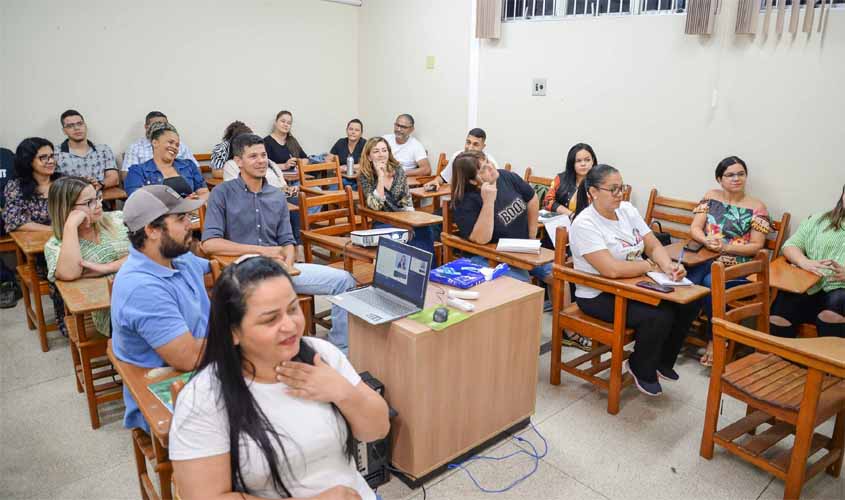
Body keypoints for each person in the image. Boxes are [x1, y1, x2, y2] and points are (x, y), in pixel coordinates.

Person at [169, 256, 389, 500]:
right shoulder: (204, 398)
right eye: (270, 319)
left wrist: (343, 392)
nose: (290, 325)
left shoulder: (320, 355)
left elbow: (378, 429)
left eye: (293, 309)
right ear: (233, 332)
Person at [201, 134, 356, 352]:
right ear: (238, 162)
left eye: (263, 155)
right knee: (269, 301)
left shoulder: (276, 196)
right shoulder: (221, 194)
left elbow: (287, 240)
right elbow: (209, 244)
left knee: (345, 281)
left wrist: (288, 266)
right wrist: (263, 251)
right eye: (253, 156)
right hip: (242, 272)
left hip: (280, 269)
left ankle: (339, 352)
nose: (261, 161)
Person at [569, 164, 699, 396]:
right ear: (593, 192)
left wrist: (668, 266)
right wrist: (650, 265)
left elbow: (652, 244)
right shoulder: (584, 223)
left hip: (634, 282)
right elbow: (611, 270)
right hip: (599, 293)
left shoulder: (627, 210)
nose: (620, 195)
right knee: (660, 314)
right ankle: (640, 365)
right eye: (614, 189)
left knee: (688, 304)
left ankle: (661, 361)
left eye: (622, 188)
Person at [111, 185, 208, 431]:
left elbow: (217, 269)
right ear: (152, 230)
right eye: (181, 218)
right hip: (168, 388)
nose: (190, 223)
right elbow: (189, 358)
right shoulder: (141, 287)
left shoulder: (177, 257)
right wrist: (240, 334)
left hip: (204, 365)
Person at [686, 156, 771, 366]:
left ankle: (714, 339)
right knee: (689, 280)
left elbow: (756, 246)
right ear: (719, 179)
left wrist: (726, 247)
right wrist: (706, 240)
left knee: (709, 283)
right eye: (730, 175)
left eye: (740, 174)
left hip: (738, 264)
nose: (736, 178)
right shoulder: (711, 197)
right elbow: (695, 228)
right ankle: (674, 332)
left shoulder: (757, 207)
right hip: (707, 256)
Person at [44, 176, 129, 336]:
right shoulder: (56, 245)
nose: (98, 205)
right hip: (113, 310)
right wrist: (70, 226)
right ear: (66, 208)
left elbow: (152, 250)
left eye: (98, 197)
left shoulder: (118, 218)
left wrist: (108, 268)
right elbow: (70, 273)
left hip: (146, 289)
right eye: (89, 202)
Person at [450, 150, 550, 284]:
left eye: (488, 162)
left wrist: (532, 235)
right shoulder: (465, 201)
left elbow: (532, 198)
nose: (491, 167)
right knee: (524, 284)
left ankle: (556, 306)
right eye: (483, 169)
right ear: (473, 181)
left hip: (521, 248)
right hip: (488, 256)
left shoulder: (506, 176)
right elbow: (481, 239)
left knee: (557, 277)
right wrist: (488, 202)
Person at [4, 138, 67, 334]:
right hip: (42, 251)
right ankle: (65, 319)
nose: (50, 161)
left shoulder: (63, 180)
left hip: (71, 240)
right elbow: (15, 221)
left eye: (51, 156)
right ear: (29, 161)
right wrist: (53, 230)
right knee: (60, 266)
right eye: (43, 158)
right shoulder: (16, 187)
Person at [769, 184, 845, 339]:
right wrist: (803, 261)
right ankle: (784, 360)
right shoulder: (819, 220)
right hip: (809, 284)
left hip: (840, 290)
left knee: (833, 310)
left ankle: (826, 363)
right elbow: (790, 246)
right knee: (780, 313)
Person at [358, 137, 434, 254]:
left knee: (425, 230)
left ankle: (425, 270)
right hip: (382, 221)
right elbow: (376, 206)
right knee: (398, 237)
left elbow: (407, 201)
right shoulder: (365, 175)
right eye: (376, 151)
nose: (381, 154)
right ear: (369, 157)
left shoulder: (398, 170)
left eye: (384, 150)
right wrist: (381, 177)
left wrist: (409, 223)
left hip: (403, 218)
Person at [125, 123, 209, 201]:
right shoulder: (137, 172)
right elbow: (137, 202)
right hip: (158, 216)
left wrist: (194, 202)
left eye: (177, 145)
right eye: (170, 142)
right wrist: (181, 204)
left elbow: (204, 193)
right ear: (155, 143)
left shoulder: (188, 165)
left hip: (191, 214)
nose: (174, 147)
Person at [54, 109, 119, 190]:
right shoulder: (55, 153)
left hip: (99, 198)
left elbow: (114, 178)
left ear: (85, 126)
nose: (76, 128)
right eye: (70, 126)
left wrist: (99, 184)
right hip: (69, 199)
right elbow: (51, 183)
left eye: (80, 124)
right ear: (64, 131)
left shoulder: (103, 150)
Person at [122, 111, 198, 172]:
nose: (161, 127)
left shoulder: (180, 145)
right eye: (156, 124)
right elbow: (127, 176)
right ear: (146, 127)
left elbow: (196, 170)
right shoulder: (135, 148)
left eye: (164, 124)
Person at [424, 128, 499, 190]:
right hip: (456, 200)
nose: (470, 147)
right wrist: (435, 181)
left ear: (483, 146)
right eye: (468, 142)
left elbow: (496, 186)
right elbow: (443, 178)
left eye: (475, 144)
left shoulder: (489, 162)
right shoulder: (458, 157)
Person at [543, 143, 597, 216]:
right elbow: (547, 202)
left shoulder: (600, 182)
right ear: (572, 163)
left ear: (593, 161)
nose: (583, 164)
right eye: (578, 161)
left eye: (587, 160)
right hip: (561, 222)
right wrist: (570, 214)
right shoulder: (560, 178)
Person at [0, 146, 20, 308]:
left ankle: (6, 281)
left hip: (10, 212)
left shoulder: (6, 156)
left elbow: (20, 185)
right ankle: (5, 279)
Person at [329, 118, 366, 188]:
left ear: (361, 133)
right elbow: (329, 159)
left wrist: (347, 167)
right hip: (340, 178)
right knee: (333, 192)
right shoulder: (340, 142)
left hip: (358, 180)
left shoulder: (365, 144)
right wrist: (336, 167)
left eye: (357, 130)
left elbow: (366, 164)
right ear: (346, 130)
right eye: (351, 129)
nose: (353, 132)